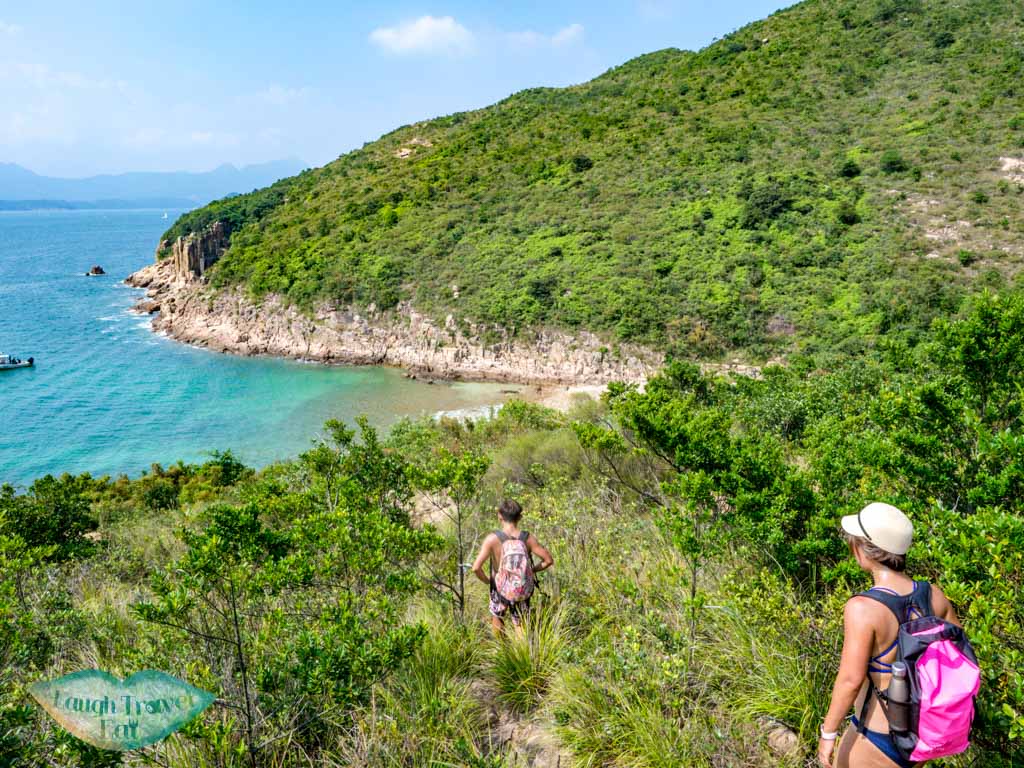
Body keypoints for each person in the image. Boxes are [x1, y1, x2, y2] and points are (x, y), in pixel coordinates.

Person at [818, 502, 961, 768]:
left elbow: (850, 680)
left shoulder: (862, 609)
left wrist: (828, 733)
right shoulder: (934, 595)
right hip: (921, 737)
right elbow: (961, 656)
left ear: (863, 550)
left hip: (875, 738)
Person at [471, 499, 554, 634]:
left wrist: (487, 580)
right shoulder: (527, 538)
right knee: (520, 622)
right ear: (519, 517)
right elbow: (548, 560)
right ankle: (522, 653)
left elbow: (476, 568)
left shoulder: (491, 539)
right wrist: (531, 571)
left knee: (498, 616)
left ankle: (502, 650)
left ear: (500, 516)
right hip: (521, 586)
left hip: (499, 587)